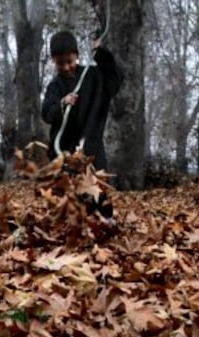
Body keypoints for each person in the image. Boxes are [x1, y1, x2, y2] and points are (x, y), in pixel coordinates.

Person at [41, 30, 123, 222]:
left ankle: (106, 222)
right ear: (54, 61)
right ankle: (70, 224)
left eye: (70, 61)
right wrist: (62, 104)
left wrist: (102, 54)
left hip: (92, 146)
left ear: (77, 55)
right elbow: (47, 112)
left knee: (98, 187)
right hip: (66, 150)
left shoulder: (92, 77)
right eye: (61, 64)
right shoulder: (55, 86)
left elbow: (115, 78)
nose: (67, 67)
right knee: (69, 191)